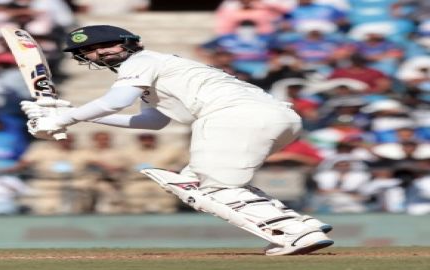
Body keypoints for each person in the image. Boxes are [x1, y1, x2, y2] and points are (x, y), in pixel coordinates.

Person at [19, 24, 333, 255]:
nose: (98, 53)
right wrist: (76, 113)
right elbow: (152, 121)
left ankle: (295, 232)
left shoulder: (141, 62)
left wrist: (61, 118)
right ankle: (296, 225)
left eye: (106, 45)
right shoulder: (155, 70)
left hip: (234, 116)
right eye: (89, 51)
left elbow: (116, 101)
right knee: (195, 183)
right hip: (275, 118)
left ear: (129, 44)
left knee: (215, 187)